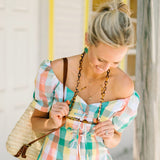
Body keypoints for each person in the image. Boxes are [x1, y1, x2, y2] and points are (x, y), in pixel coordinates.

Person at [31, 1, 140, 159]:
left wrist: (109, 135)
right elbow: (35, 122)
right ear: (87, 40)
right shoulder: (56, 72)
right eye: (101, 59)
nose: (106, 67)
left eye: (116, 62)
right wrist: (52, 122)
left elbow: (115, 138)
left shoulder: (124, 87)